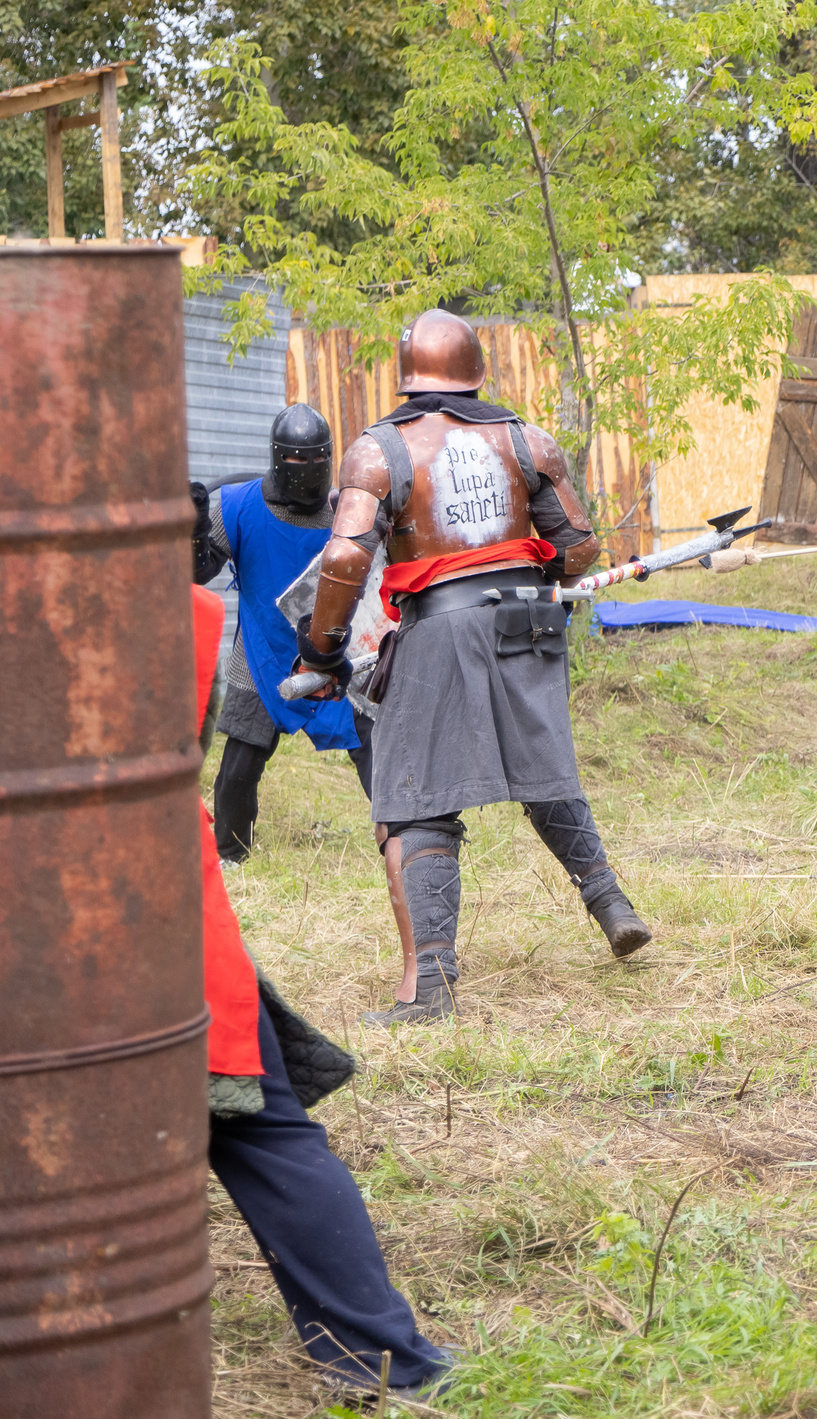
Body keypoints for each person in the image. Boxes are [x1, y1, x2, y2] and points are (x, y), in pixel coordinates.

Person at [289, 308, 652, 1024]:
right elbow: (579, 548)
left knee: (416, 798)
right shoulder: (526, 440)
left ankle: (430, 987)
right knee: (543, 766)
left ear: (408, 374)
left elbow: (345, 557)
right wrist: (532, 575)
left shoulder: (380, 451)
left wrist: (321, 649)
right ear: (475, 370)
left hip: (440, 626)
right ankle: (612, 905)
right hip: (529, 618)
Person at [188, 584, 454, 1396]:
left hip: (159, 931)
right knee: (266, 1135)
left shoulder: (180, 615)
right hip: (164, 920)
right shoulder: (180, 613)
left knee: (262, 1128)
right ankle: (386, 1362)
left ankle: (385, 1361)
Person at [193, 403, 375, 862]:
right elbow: (196, 573)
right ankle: (232, 855)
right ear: (278, 457)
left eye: (318, 458)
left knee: (377, 753)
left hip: (336, 652)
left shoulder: (347, 512)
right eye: (297, 459)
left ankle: (407, 839)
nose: (308, 468)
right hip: (262, 653)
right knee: (238, 768)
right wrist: (193, 532)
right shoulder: (238, 506)